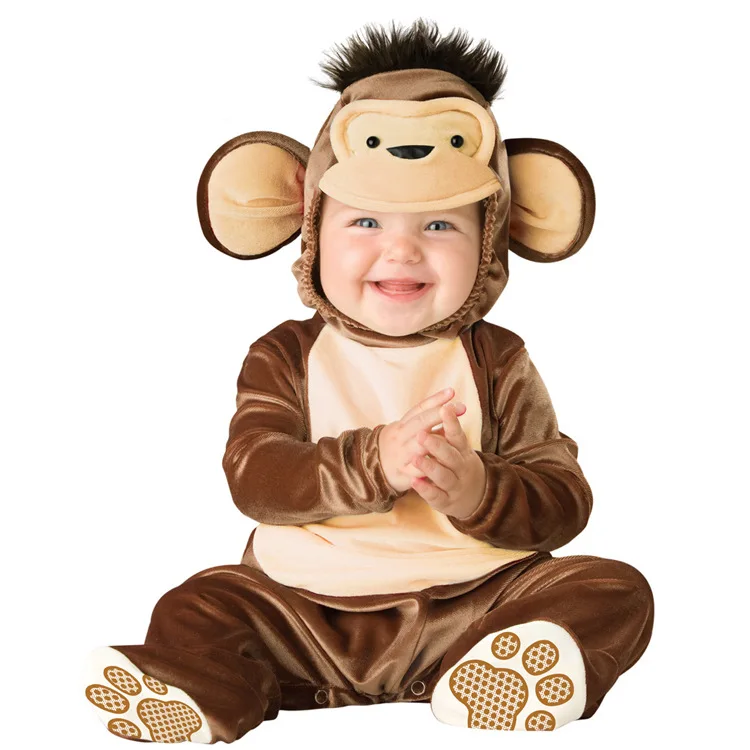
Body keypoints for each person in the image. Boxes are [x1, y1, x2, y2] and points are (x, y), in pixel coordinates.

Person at [84, 19, 654, 743]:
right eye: (365, 223)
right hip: (305, 611)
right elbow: (256, 476)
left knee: (613, 588)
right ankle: (204, 689)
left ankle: (496, 675)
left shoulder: (498, 359)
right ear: (312, 229)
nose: (402, 250)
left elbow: (564, 498)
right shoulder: (285, 355)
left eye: (440, 226)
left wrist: (479, 490)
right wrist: (372, 461)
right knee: (202, 604)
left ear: (492, 241)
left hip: (474, 606)